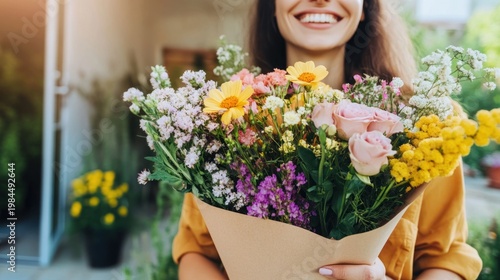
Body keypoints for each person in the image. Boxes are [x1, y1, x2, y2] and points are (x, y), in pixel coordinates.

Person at [173, 0, 483, 279]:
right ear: (272, 6)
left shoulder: (431, 129)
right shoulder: (230, 120)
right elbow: (196, 251)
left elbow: (446, 259)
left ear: (366, 7)